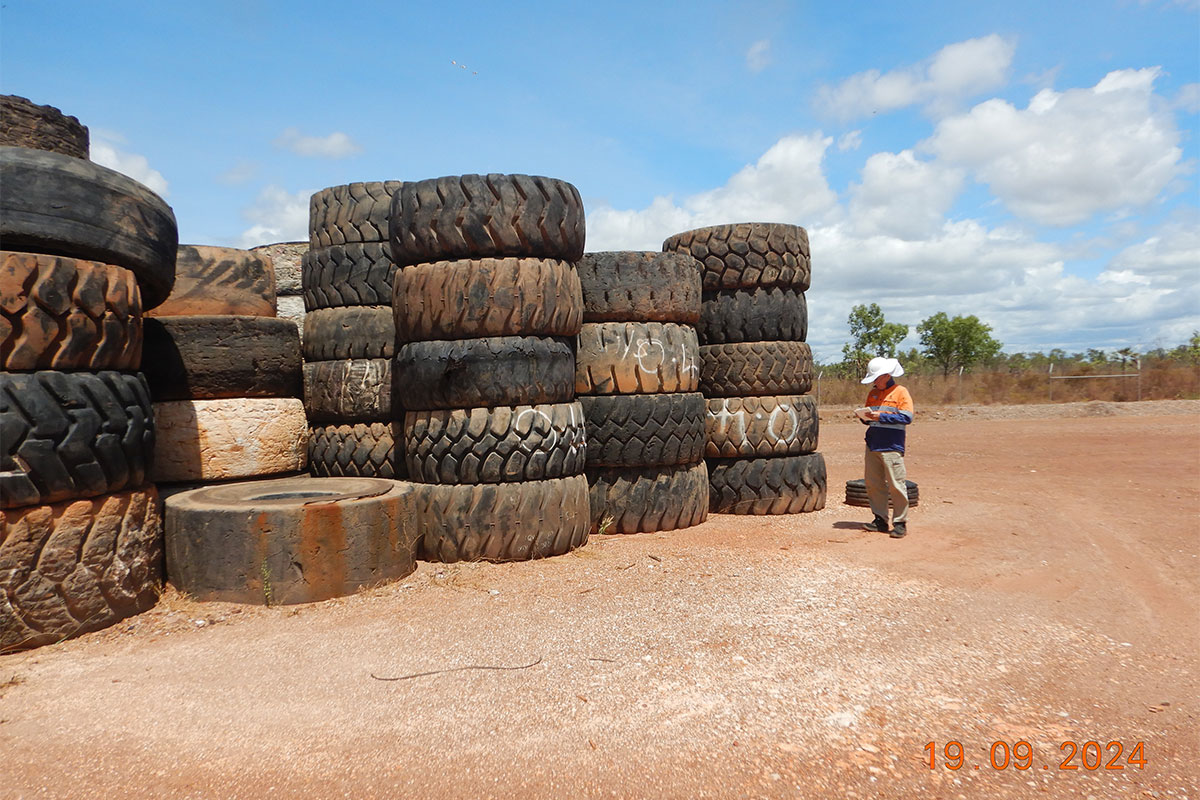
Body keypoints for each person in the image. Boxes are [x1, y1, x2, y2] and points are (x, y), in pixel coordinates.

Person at [857, 357, 914, 538]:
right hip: (873, 444)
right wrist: (864, 417)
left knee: (896, 485)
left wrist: (880, 416)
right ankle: (880, 519)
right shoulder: (873, 394)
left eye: (877, 378)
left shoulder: (901, 392)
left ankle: (900, 522)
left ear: (887, 375)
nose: (874, 382)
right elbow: (869, 418)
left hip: (891, 446)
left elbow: (907, 417)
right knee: (874, 484)